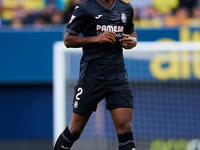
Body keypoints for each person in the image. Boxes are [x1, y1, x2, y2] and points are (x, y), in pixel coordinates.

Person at [53, 0, 138, 149]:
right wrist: (96, 39)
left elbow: (131, 30)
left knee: (125, 128)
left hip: (117, 78)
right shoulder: (84, 7)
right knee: (75, 129)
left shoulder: (126, 7)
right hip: (91, 78)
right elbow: (68, 39)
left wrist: (133, 40)